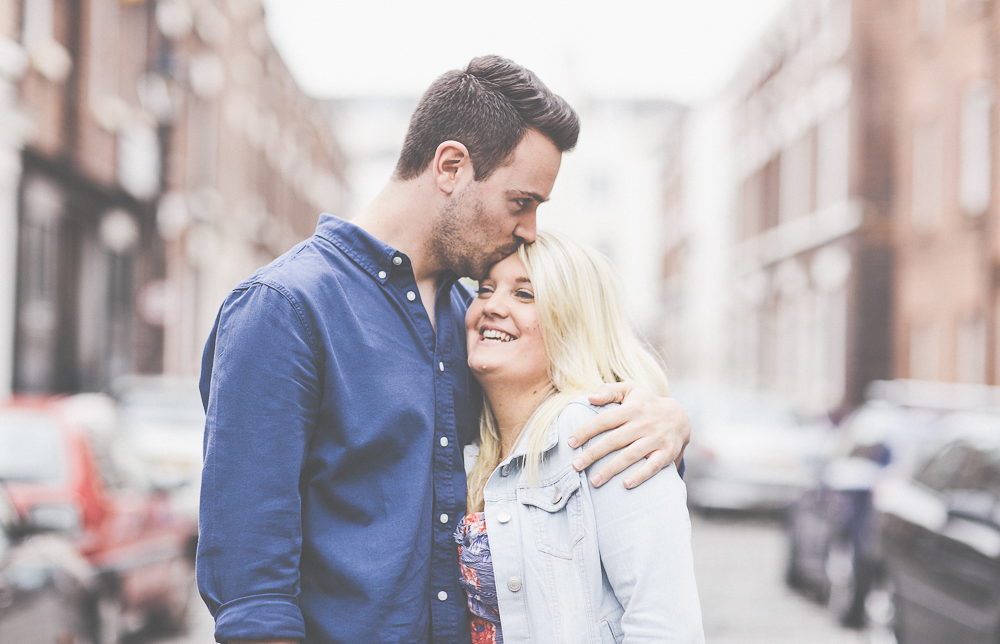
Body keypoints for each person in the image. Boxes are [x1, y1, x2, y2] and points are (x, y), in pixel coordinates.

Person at [197, 55, 691, 644]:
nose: (530, 229)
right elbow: (254, 595)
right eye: (521, 202)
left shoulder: (473, 322)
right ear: (451, 166)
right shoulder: (285, 309)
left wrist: (668, 422)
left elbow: (558, 445)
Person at [457, 232, 704, 643]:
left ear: (570, 320)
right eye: (485, 289)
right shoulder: (471, 443)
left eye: (523, 294)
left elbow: (665, 626)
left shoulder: (609, 431)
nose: (491, 306)